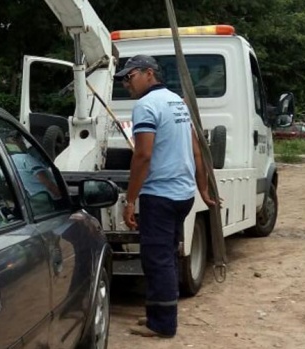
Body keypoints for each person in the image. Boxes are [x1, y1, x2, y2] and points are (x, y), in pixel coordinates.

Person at [115, 55, 215, 338]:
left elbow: (143, 155)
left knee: (157, 259)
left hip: (160, 195)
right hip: (182, 194)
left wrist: (130, 200)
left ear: (149, 74)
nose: (126, 83)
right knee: (165, 256)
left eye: (130, 76)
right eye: (123, 78)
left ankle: (163, 324)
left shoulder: (146, 106)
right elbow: (196, 151)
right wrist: (203, 189)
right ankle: (155, 315)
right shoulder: (176, 102)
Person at [5, 131, 61, 214]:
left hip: (36, 204)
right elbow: (45, 181)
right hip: (51, 201)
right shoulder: (26, 159)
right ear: (16, 143)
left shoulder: (9, 162)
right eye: (22, 142)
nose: (24, 144)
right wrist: (61, 195)